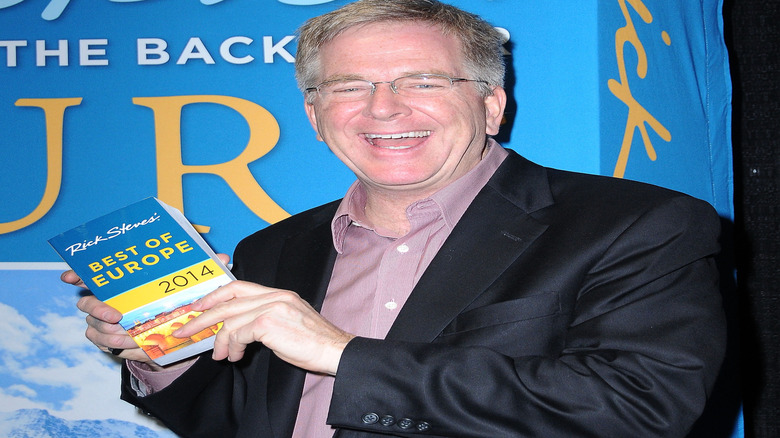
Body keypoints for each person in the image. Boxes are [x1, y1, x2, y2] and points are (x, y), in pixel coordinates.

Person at [66, 0, 726, 436]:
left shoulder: (641, 225)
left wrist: (341, 355)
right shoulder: (272, 249)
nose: (383, 109)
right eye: (349, 87)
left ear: (492, 106)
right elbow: (240, 420)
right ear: (314, 117)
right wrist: (163, 352)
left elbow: (641, 406)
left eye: (423, 82)